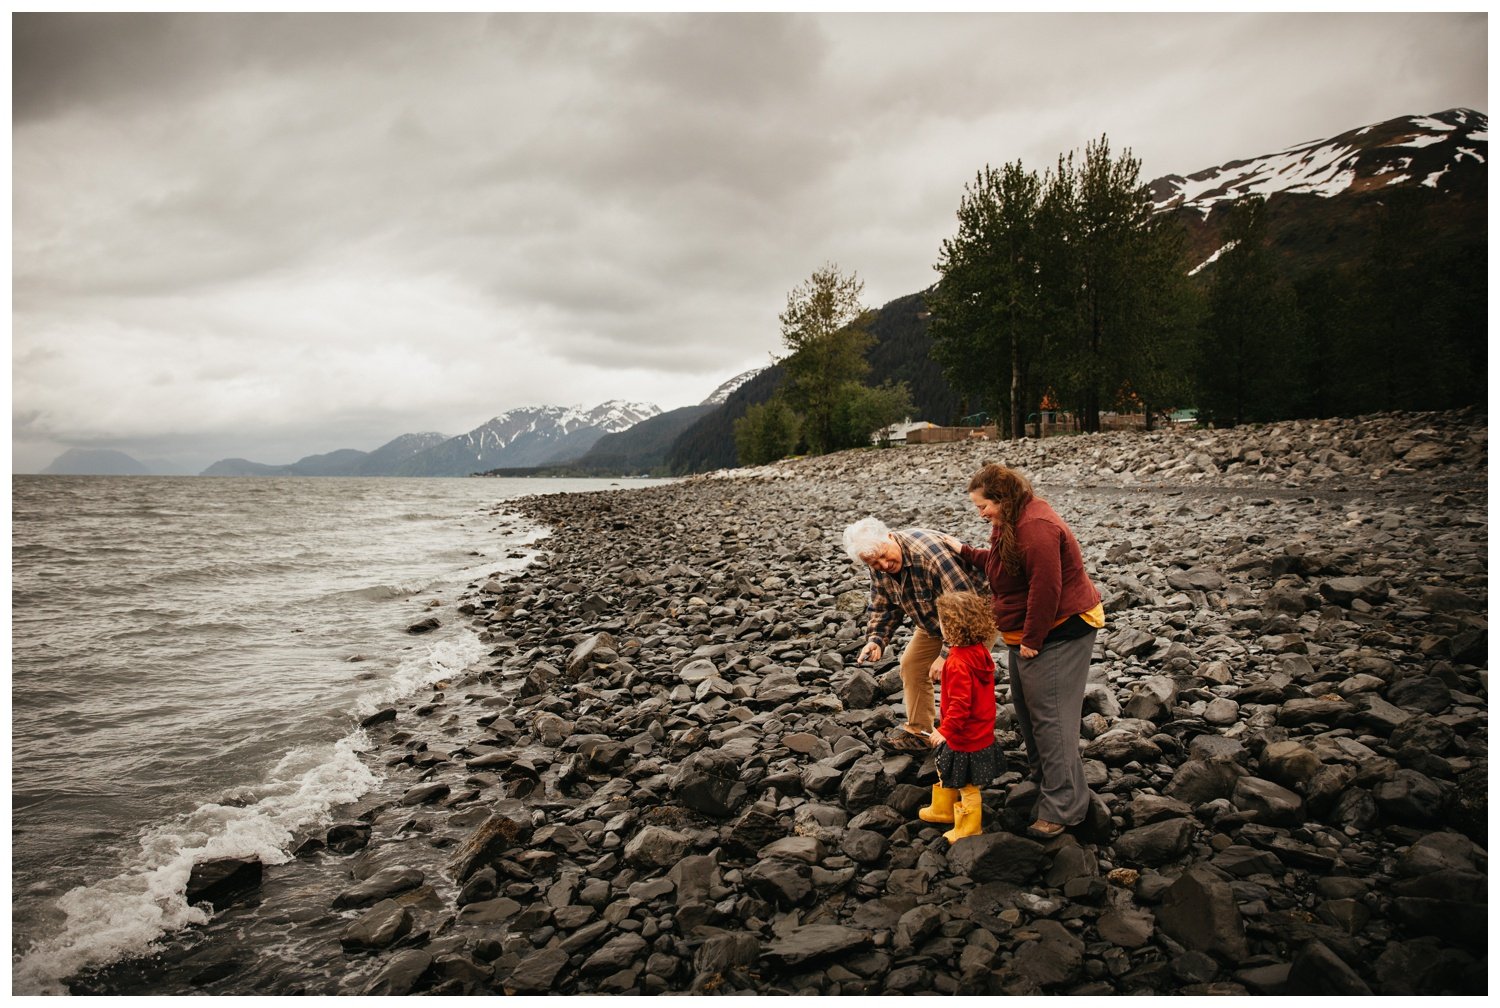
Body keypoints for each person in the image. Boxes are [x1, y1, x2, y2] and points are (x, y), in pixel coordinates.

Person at [957, 462, 1105, 839]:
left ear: (1002, 498)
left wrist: (1032, 641)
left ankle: (1063, 807)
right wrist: (964, 551)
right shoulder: (1010, 521)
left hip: (1059, 631)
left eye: (983, 505)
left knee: (1052, 719)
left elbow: (1047, 589)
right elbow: (1002, 567)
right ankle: (1047, 783)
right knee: (1028, 711)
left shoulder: (1035, 528)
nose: (981, 512)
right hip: (1027, 633)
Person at [842, 517, 985, 753]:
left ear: (890, 536)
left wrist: (946, 654)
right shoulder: (876, 559)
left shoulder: (929, 555)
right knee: (912, 665)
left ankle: (968, 742)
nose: (883, 565)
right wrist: (876, 638)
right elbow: (884, 604)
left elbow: (965, 606)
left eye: (884, 556)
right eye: (874, 563)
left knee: (961, 672)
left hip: (974, 616)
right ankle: (920, 733)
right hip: (932, 620)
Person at [918, 591, 1002, 844]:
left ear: (951, 626)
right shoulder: (978, 652)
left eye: (943, 621)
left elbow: (960, 704)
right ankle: (943, 810)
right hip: (981, 728)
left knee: (967, 784)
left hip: (965, 735)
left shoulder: (956, 663)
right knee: (947, 767)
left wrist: (945, 730)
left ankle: (969, 826)